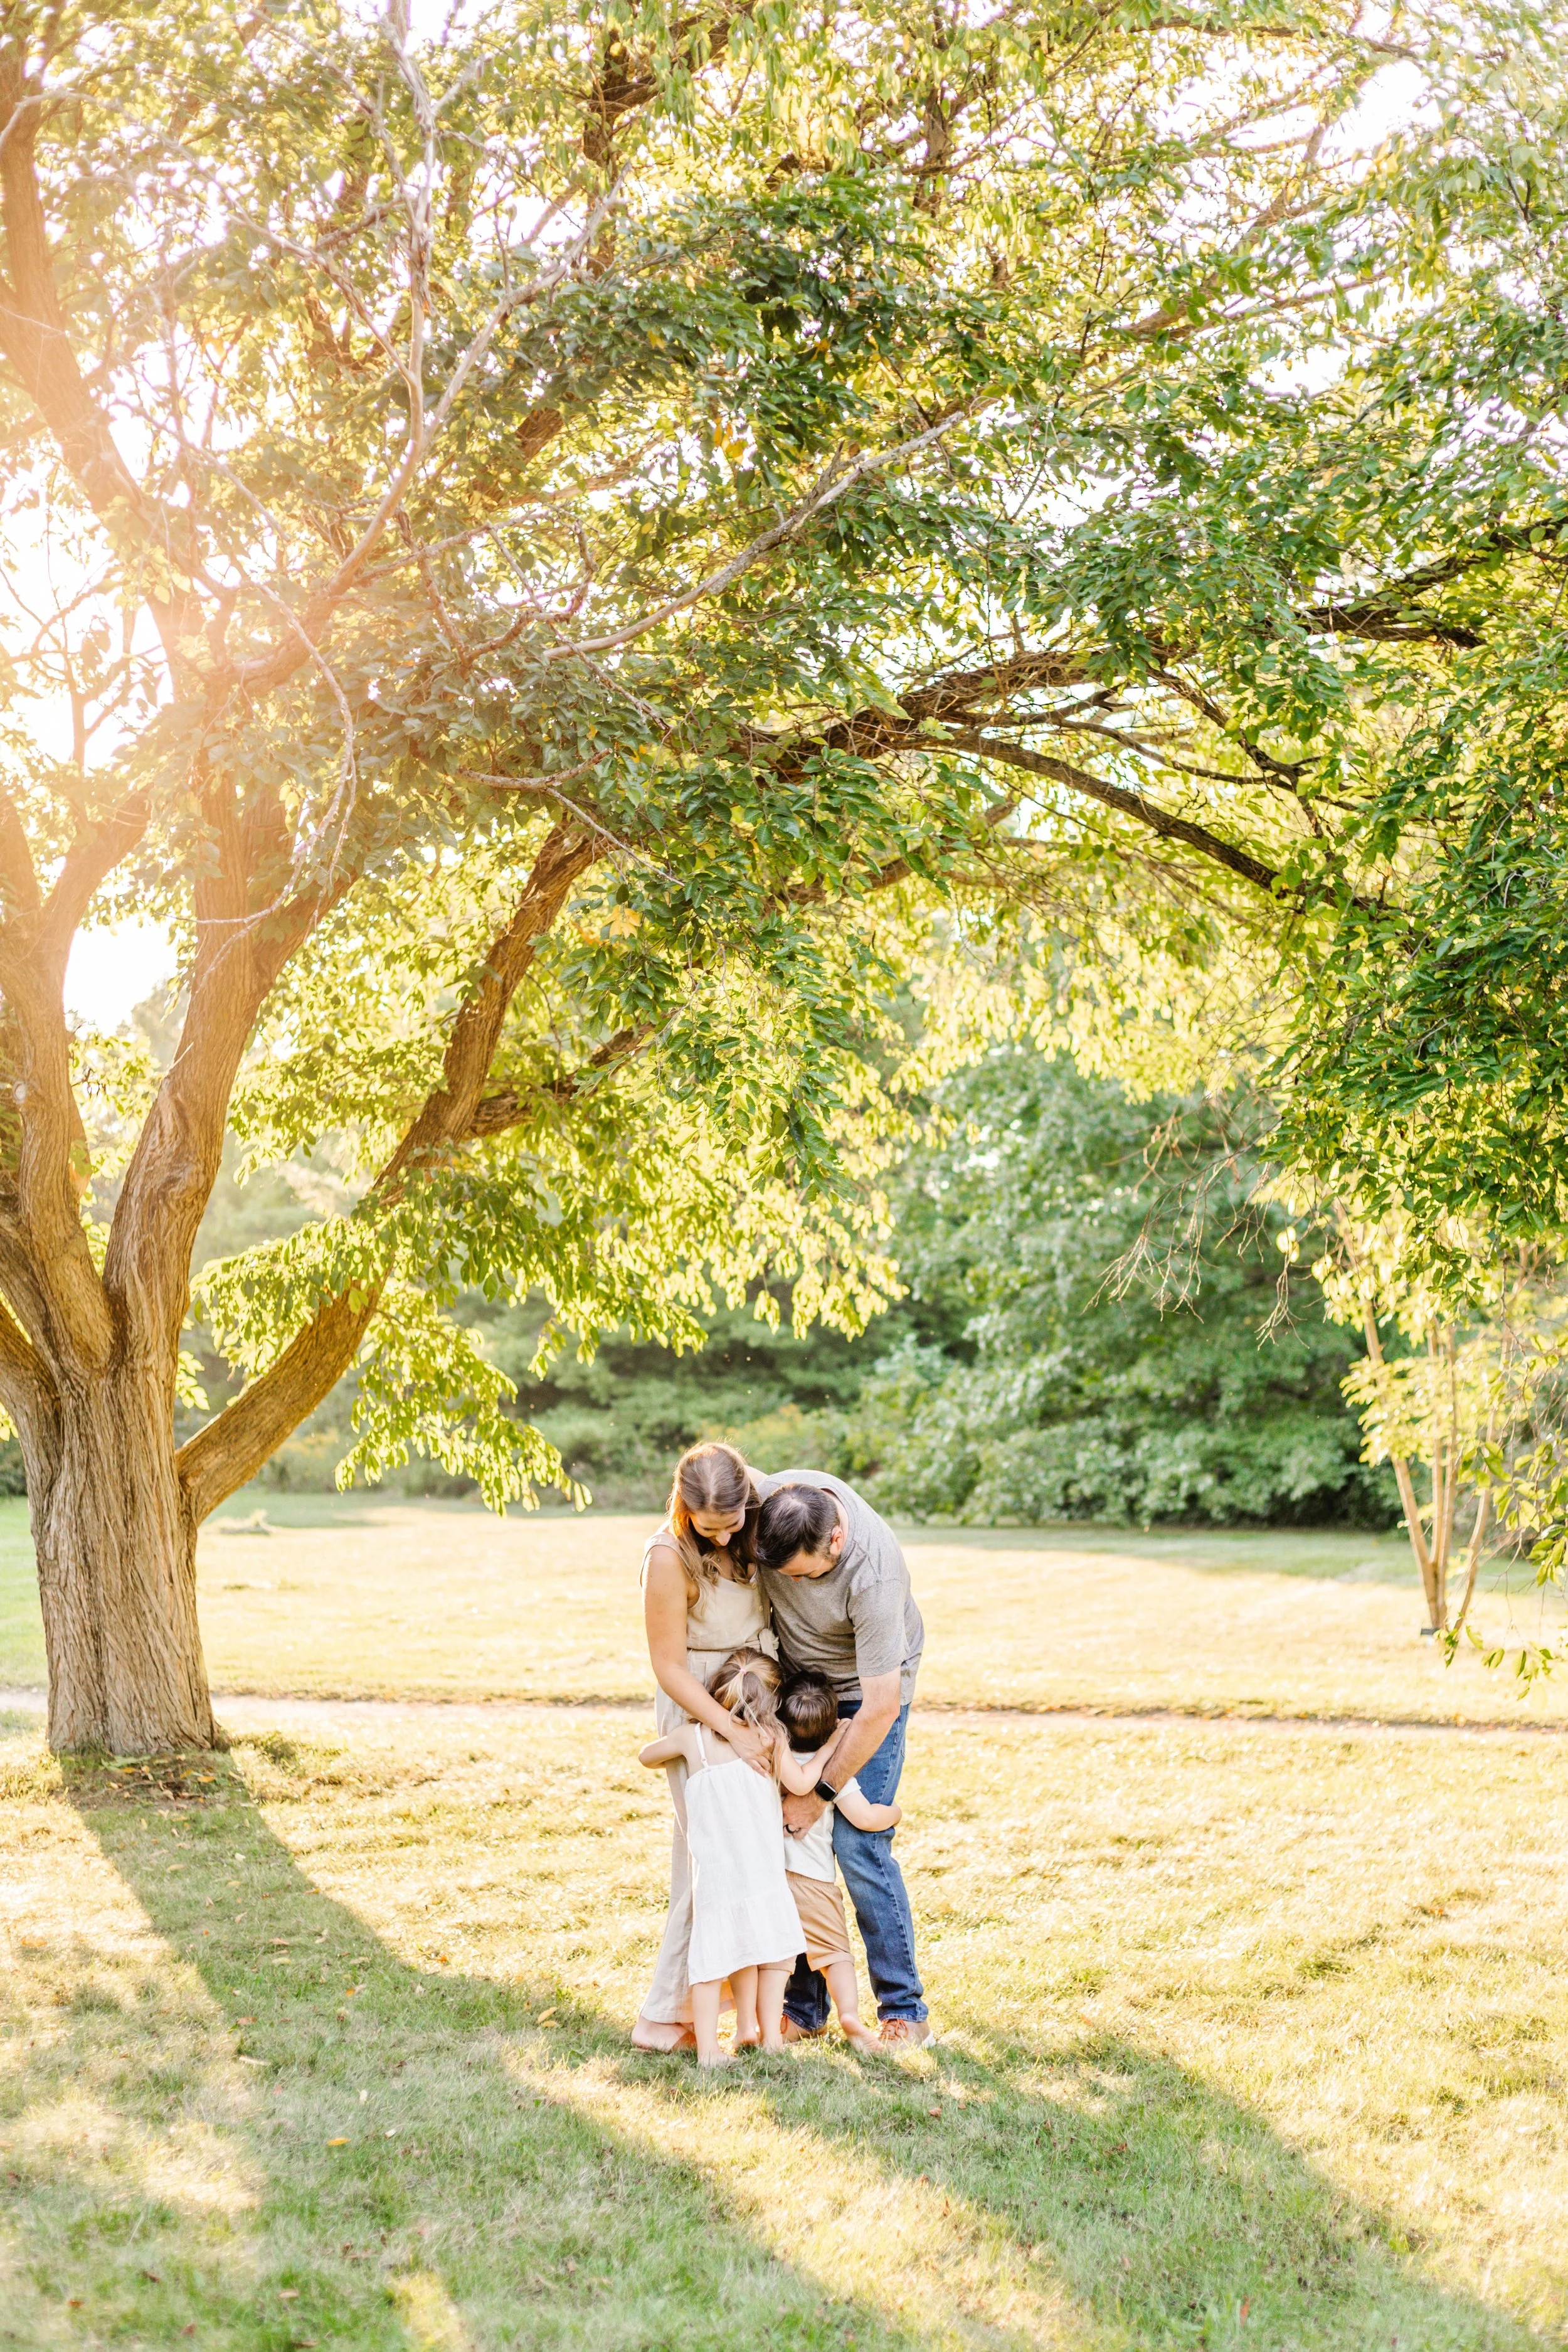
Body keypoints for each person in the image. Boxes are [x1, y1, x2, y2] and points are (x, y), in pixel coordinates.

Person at [751, 1468, 930, 2046]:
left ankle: (904, 2010)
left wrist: (817, 1790)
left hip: (864, 1691)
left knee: (857, 1844)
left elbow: (880, 1706)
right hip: (801, 1687)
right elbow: (711, 1481)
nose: (795, 1586)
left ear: (834, 1541)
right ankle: (804, 2010)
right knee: (791, 1847)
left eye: (806, 1575)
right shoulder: (770, 1496)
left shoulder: (873, 1577)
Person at [632, 1441, 776, 2053]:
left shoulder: (763, 1508)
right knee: (709, 1859)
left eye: (732, 1524)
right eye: (707, 1528)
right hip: (701, 1704)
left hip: (757, 1692)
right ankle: (664, 2015)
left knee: (752, 1856)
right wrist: (729, 1728)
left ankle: (722, 2003)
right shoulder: (667, 1557)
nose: (722, 1540)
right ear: (685, 1508)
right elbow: (669, 1667)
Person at [639, 1649, 802, 2066]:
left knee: (711, 1964)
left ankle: (710, 2050)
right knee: (774, 1954)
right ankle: (770, 2039)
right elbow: (800, 1786)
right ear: (773, 1703)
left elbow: (646, 1756)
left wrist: (677, 1752)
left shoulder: (692, 1739)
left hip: (716, 1877)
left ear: (715, 1693)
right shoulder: (771, 1741)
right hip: (763, 1874)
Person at [772, 1669, 899, 2055]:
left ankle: (769, 2023)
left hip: (771, 1879)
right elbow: (864, 1818)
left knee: (777, 1960)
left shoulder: (773, 1762)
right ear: (833, 1729)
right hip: (814, 1882)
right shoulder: (832, 1774)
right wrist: (894, 1813)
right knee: (835, 1955)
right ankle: (849, 2015)